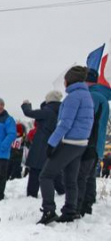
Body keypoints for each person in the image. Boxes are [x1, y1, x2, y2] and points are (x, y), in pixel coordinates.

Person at [37, 66, 94, 224]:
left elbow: (65, 123)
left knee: (46, 175)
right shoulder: (86, 95)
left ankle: (49, 210)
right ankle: (70, 211)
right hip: (81, 143)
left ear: (69, 80)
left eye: (65, 80)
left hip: (69, 142)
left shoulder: (73, 97)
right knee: (71, 178)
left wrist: (51, 143)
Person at [76, 69, 110, 216]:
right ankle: (88, 203)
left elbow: (86, 119)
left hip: (88, 141)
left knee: (82, 175)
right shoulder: (102, 97)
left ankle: (82, 205)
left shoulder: (91, 96)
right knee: (89, 175)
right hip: (98, 142)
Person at [22, 91, 64, 197]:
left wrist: (26, 105)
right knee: (53, 169)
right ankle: (61, 189)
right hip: (55, 142)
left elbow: (29, 113)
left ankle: (32, 193)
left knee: (36, 168)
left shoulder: (47, 111)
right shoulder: (62, 110)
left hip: (41, 143)